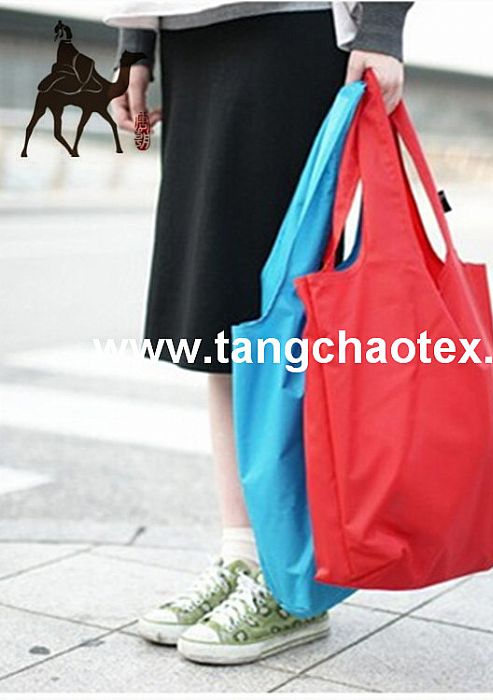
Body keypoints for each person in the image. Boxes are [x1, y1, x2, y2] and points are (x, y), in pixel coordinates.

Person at [109, 1, 412, 666]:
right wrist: (136, 45)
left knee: (287, 315)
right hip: (191, 34)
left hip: (293, 26)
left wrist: (384, 26)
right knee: (223, 314)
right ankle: (244, 556)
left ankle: (293, 581)